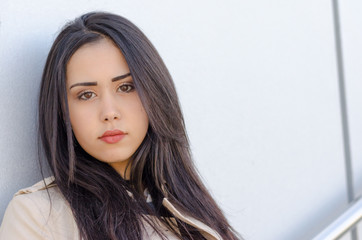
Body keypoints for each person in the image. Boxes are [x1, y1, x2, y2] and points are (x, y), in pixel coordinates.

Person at [0, 11, 240, 240]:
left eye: (126, 87)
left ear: (154, 93)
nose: (109, 113)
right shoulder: (38, 217)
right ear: (62, 111)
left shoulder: (190, 205)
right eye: (86, 95)